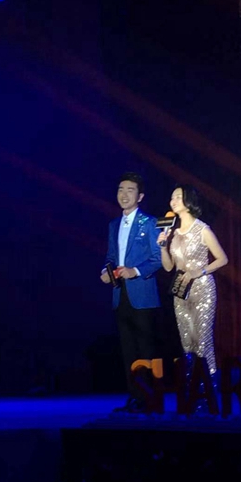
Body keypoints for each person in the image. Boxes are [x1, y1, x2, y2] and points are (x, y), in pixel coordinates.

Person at [101, 172, 162, 412]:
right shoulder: (113, 225)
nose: (124, 195)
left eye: (130, 190)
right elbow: (111, 256)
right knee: (128, 350)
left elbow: (158, 258)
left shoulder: (150, 222)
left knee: (146, 349)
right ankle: (135, 398)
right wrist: (106, 271)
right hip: (120, 295)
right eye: (120, 189)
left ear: (140, 196)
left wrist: (135, 271)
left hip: (143, 295)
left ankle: (151, 399)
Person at [157, 185, 228, 376]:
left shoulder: (202, 229)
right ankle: (192, 385)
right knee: (187, 342)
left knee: (202, 340)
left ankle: (210, 384)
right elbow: (168, 267)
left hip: (202, 289)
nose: (173, 201)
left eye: (177, 197)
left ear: (188, 201)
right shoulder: (173, 232)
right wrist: (163, 247)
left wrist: (200, 271)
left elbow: (222, 259)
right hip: (180, 291)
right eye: (172, 197)